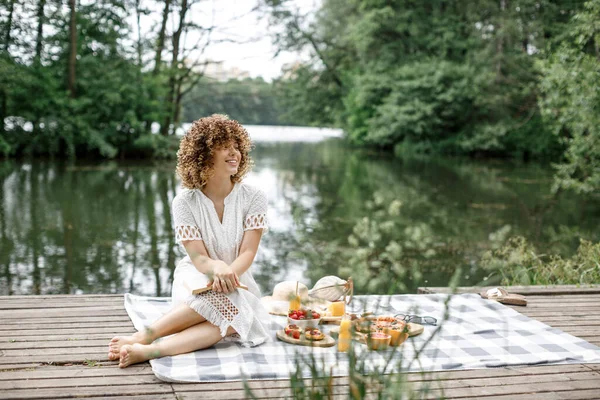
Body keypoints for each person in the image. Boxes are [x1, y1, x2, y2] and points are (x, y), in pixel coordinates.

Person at [107, 114, 272, 368]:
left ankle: (148, 350)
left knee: (233, 314)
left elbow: (248, 252)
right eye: (224, 146)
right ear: (204, 154)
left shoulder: (254, 197)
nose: (234, 152)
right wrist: (215, 270)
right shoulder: (184, 202)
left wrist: (228, 275)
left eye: (237, 146)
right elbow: (198, 257)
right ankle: (143, 336)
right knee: (226, 306)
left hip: (238, 277)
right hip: (197, 275)